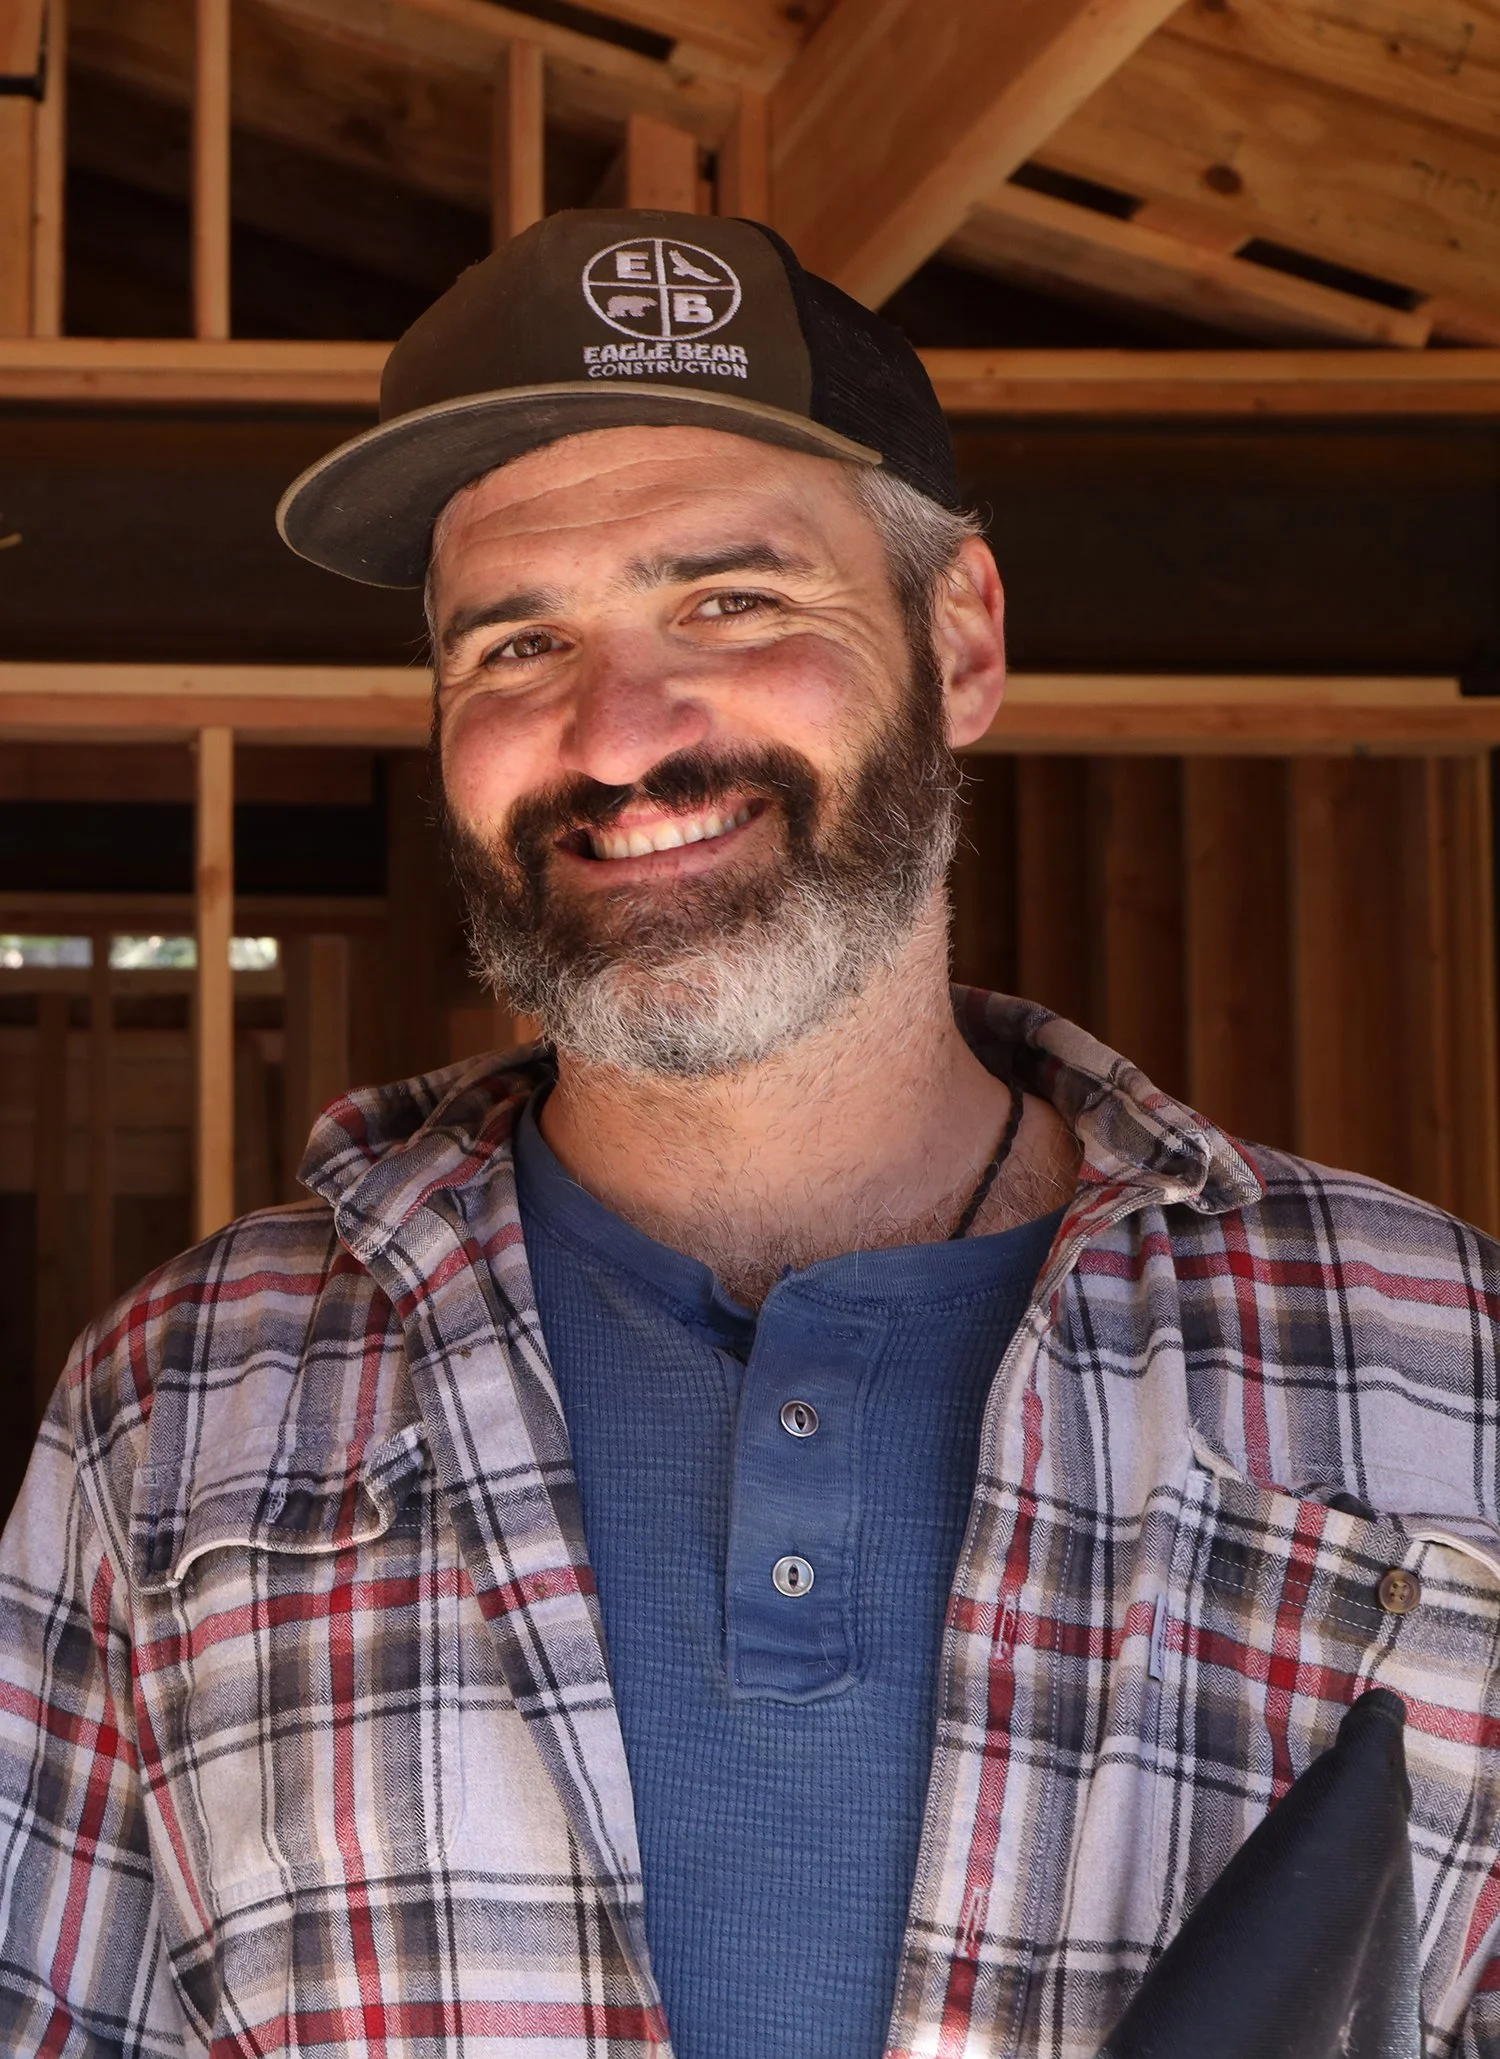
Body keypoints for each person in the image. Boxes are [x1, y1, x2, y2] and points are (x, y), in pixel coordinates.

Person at [2, 208, 1498, 2059]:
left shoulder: (1442, 1367)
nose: (619, 735)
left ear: (959, 643)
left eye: (732, 602)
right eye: (519, 641)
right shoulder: (178, 1413)